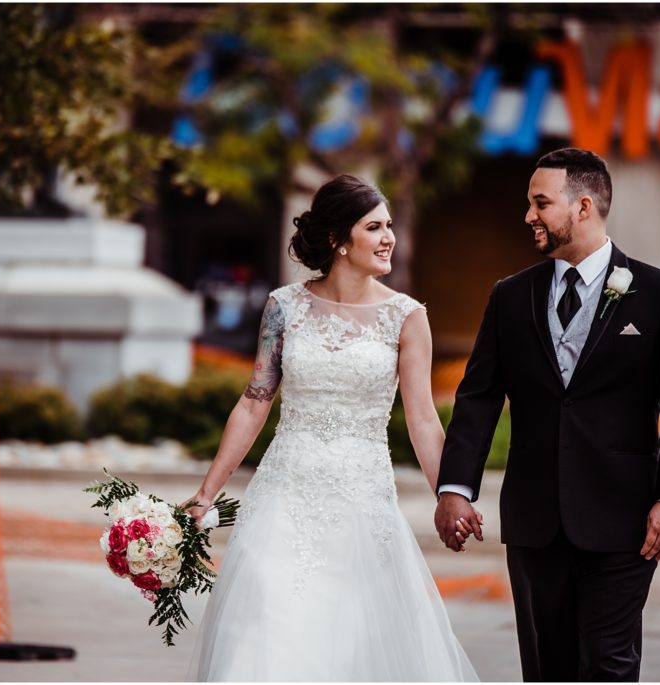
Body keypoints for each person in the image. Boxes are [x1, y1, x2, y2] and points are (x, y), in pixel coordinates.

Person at [185, 175, 479, 681]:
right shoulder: (284, 306)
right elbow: (255, 402)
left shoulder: (407, 317)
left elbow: (423, 418)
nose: (389, 237)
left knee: (349, 641)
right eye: (374, 227)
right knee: (264, 623)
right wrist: (205, 495)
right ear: (338, 240)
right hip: (282, 492)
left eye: (389, 226)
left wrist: (449, 495)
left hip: (361, 501)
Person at [434, 148, 660, 681]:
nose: (529, 216)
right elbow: (478, 398)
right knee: (546, 668)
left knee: (607, 664)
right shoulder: (510, 297)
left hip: (626, 522)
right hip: (535, 521)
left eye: (540, 203)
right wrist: (455, 489)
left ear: (583, 207)